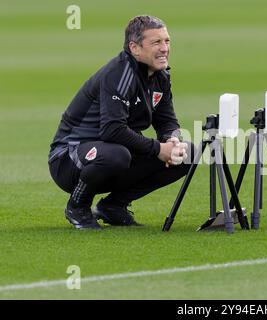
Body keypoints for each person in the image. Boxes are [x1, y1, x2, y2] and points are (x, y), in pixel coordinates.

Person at [48, 15, 193, 230]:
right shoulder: (119, 74)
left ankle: (113, 206)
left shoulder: (160, 75)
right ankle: (77, 206)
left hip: (114, 153)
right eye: (156, 42)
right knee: (116, 155)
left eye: (167, 41)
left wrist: (172, 140)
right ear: (134, 48)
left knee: (187, 154)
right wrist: (157, 148)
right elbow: (112, 130)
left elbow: (166, 120)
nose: (165, 48)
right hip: (69, 158)